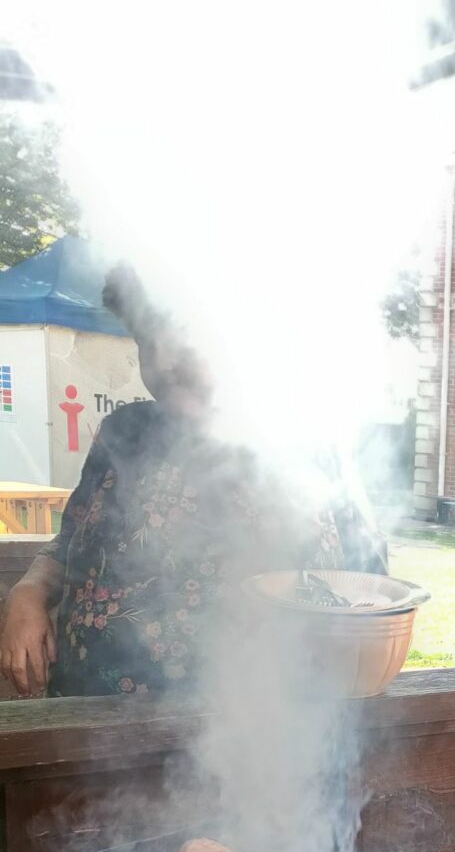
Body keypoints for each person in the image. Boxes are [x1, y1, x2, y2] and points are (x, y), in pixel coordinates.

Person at [0, 266, 386, 697]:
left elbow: (373, 599)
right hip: (92, 719)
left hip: (257, 727)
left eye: (184, 338)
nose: (164, 362)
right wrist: (29, 591)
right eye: (147, 341)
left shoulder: (312, 448)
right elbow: (70, 540)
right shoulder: (125, 431)